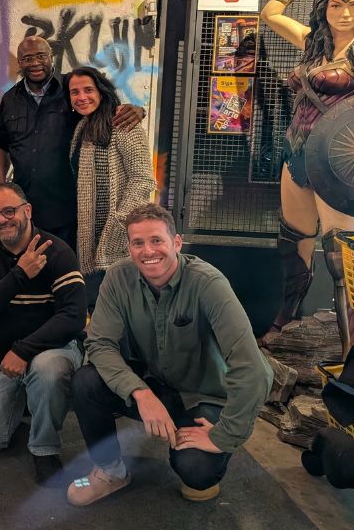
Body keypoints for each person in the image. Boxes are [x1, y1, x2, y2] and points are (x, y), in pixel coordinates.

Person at [66, 204, 272, 506]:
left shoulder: (209, 284)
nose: (148, 251)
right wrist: (140, 392)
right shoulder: (118, 279)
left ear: (176, 243)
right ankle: (111, 472)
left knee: (197, 472)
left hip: (202, 395)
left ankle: (196, 455)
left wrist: (224, 436)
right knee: (86, 382)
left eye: (157, 240)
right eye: (138, 243)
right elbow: (99, 344)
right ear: (129, 247)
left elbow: (255, 370)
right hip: (154, 386)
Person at [260, 0, 354, 353]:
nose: (345, 11)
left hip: (339, 161)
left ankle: (352, 347)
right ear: (324, 7)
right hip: (297, 152)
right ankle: (286, 319)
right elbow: (271, 12)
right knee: (293, 242)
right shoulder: (312, 43)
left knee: (343, 254)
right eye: (336, 3)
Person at [0, 182, 86, 487]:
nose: (2, 220)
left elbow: (73, 317)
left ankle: (44, 449)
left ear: (27, 211)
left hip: (48, 350)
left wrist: (23, 350)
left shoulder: (57, 251)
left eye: (9, 211)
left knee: (48, 370)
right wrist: (20, 275)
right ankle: (26, 400)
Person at [0, 36, 144, 249]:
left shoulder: (69, 89)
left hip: (67, 206)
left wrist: (138, 109)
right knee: (28, 268)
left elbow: (100, 107)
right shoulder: (10, 99)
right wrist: (1, 186)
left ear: (51, 58)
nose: (35, 63)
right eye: (27, 58)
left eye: (41, 56)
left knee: (65, 267)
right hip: (24, 204)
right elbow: (0, 145)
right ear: (20, 63)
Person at [66, 67, 156, 310]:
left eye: (88, 90)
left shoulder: (122, 123)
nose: (81, 97)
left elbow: (143, 180)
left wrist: (118, 222)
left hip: (116, 240)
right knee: (97, 308)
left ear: (102, 91)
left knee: (120, 309)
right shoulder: (82, 127)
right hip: (88, 240)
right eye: (75, 92)